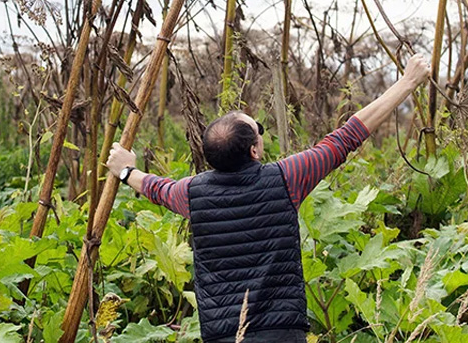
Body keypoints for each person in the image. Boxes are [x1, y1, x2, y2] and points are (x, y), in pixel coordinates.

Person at [106, 52, 431, 342]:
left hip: (224, 335)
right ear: (254, 150)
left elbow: (155, 188)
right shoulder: (286, 178)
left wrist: (125, 171)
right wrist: (407, 82)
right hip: (282, 333)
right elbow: (346, 137)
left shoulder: (191, 193)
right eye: (258, 130)